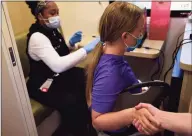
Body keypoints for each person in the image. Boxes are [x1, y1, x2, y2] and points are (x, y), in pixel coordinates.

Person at [86, 2, 161, 136]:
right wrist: (133, 114)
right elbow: (97, 121)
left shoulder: (112, 55)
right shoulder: (110, 73)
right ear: (125, 36)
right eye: (139, 31)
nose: (141, 34)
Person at [25, 1, 99, 136]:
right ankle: (78, 130)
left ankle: (87, 124)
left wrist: (70, 44)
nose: (56, 16)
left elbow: (56, 53)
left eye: (57, 12)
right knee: (72, 99)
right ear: (40, 15)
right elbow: (58, 65)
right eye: (52, 13)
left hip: (55, 76)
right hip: (42, 83)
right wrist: (86, 50)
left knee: (87, 76)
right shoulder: (37, 37)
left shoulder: (52, 31)